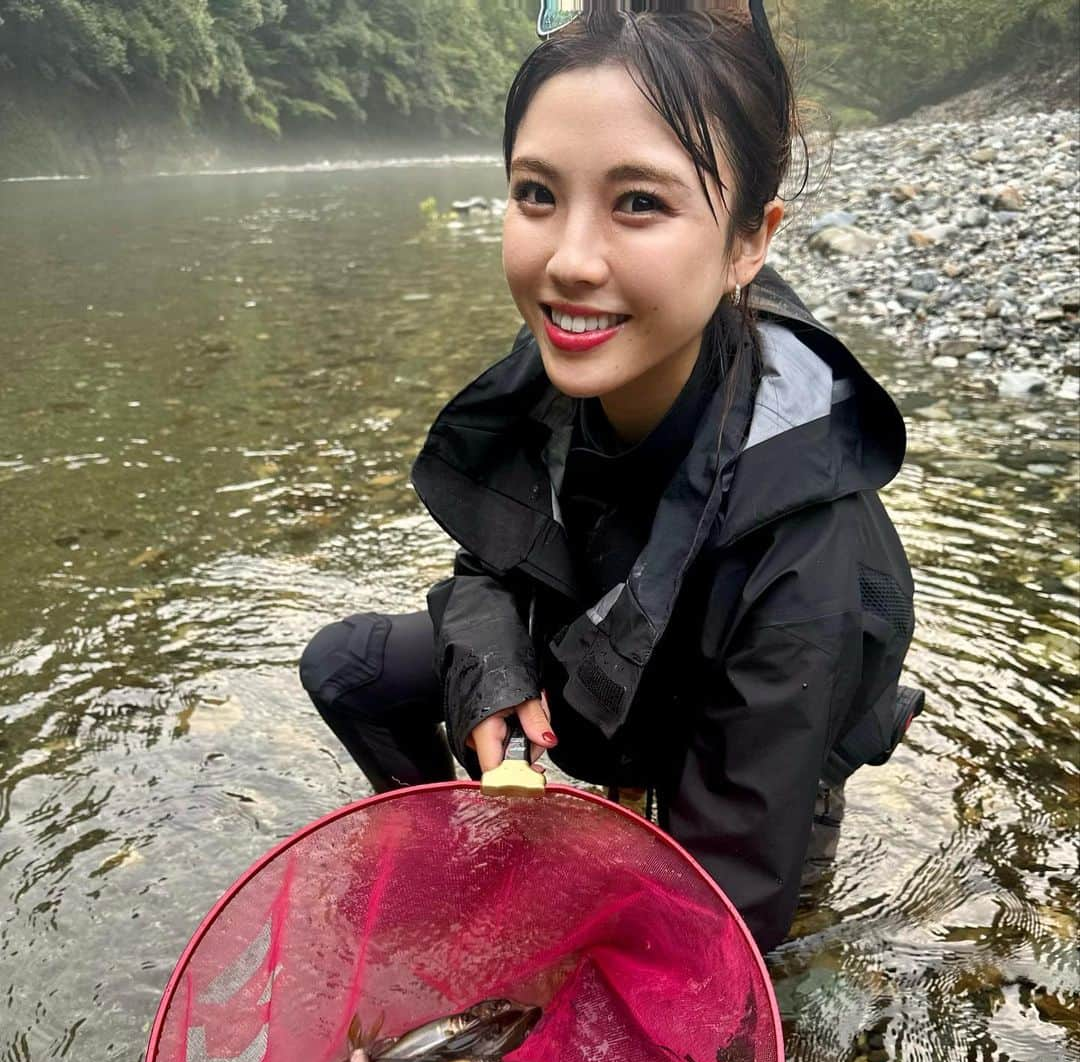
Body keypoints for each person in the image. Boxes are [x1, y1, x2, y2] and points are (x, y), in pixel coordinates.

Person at [299, 5, 922, 954]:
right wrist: (489, 670)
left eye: (639, 203)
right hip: (603, 659)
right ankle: (466, 866)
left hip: (758, 713)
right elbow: (489, 563)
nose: (569, 261)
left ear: (750, 241)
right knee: (346, 669)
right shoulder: (563, 366)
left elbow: (711, 925)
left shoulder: (807, 548)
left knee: (721, 952)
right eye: (538, 194)